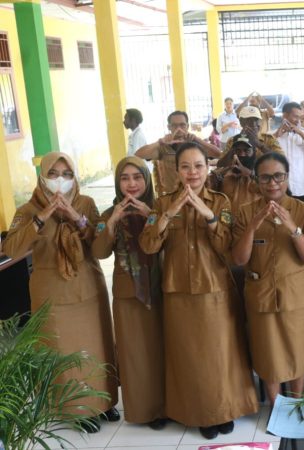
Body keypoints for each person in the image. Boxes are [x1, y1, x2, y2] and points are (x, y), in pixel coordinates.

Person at [139, 143, 259, 439]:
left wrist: (209, 216)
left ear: (207, 169)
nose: (192, 172)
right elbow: (148, 246)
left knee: (220, 354)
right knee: (189, 356)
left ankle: (224, 410)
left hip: (214, 288)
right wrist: (169, 214)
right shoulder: (162, 203)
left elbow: (228, 249)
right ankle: (201, 414)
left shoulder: (220, 202)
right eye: (185, 166)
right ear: (176, 170)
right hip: (178, 291)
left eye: (198, 166)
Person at [4, 152, 119, 432]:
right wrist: (43, 217)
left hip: (88, 288)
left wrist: (75, 217)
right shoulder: (28, 210)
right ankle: (76, 409)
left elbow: (99, 243)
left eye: (67, 174)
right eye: (53, 174)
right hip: (52, 294)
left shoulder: (86, 203)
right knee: (63, 351)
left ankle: (103, 402)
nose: (60, 180)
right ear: (42, 177)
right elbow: (12, 249)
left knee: (97, 347)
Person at [231, 152, 304, 405]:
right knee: (268, 355)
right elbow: (239, 259)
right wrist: (252, 227)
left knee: (297, 352)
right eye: (266, 177)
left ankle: (297, 403)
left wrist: (292, 227)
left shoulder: (303, 210)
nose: (273, 183)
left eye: (278, 176)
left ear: (287, 177)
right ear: (256, 180)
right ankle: (275, 407)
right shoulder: (246, 212)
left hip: (296, 296)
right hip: (261, 296)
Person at [91, 156, 165, 429]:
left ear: (147, 179)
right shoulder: (108, 214)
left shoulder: (161, 207)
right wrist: (112, 223)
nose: (131, 184)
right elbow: (99, 252)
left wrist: (151, 216)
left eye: (137, 177)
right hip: (128, 295)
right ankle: (145, 411)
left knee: (163, 350)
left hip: (162, 288)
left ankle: (170, 406)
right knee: (135, 354)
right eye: (125, 178)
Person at [135, 111, 222, 197]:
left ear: (187, 126)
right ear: (169, 127)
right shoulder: (164, 148)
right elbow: (139, 154)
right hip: (173, 197)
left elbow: (218, 154)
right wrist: (160, 142)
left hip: (197, 195)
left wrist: (197, 139)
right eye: (174, 126)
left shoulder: (196, 146)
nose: (179, 130)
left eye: (182, 125)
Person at [275, 102, 304, 204]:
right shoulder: (275, 135)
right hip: (280, 187)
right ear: (285, 116)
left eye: (300, 117)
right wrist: (278, 132)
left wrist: (300, 133)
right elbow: (265, 151)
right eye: (295, 116)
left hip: (301, 186)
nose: (298, 120)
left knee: (303, 213)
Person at [209, 133, 261, 214]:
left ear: (254, 151)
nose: (242, 154)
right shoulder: (225, 173)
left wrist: (250, 174)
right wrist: (224, 171)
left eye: (247, 150)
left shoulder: (261, 174)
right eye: (238, 150)